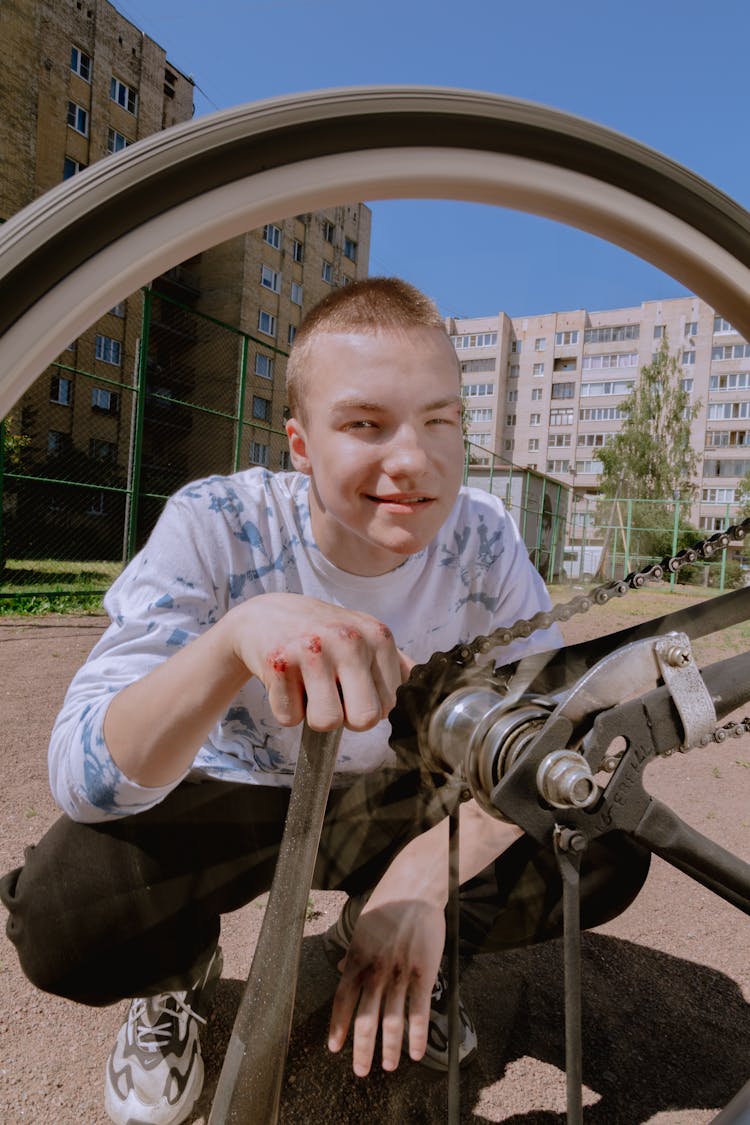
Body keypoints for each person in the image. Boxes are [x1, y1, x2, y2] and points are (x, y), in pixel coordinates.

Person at [1, 278, 647, 1125]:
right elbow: (84, 776)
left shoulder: (483, 535)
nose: (412, 459)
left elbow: (570, 729)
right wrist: (237, 635)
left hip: (397, 802)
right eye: (365, 424)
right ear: (301, 444)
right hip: (231, 795)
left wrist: (430, 874)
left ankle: (403, 932)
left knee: (601, 845)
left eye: (440, 419)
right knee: (63, 919)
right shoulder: (218, 522)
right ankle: (176, 978)